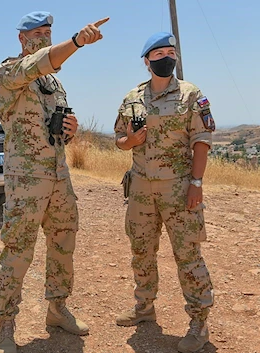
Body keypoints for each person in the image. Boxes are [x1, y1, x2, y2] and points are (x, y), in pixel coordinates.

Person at [0, 11, 109, 353]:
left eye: (48, 32)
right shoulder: (8, 72)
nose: (43, 37)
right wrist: (76, 41)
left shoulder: (54, 83)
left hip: (58, 176)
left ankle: (57, 309)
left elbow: (54, 121)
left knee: (63, 244)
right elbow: (39, 63)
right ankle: (5, 325)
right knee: (17, 250)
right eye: (37, 33)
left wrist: (69, 129)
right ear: (22, 38)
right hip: (26, 180)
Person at [113, 32, 215, 353]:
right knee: (141, 250)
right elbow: (118, 138)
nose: (166, 58)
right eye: (159, 54)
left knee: (187, 254)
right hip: (141, 187)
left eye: (171, 52)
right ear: (147, 61)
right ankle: (144, 307)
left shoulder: (190, 94)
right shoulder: (132, 97)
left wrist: (196, 182)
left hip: (178, 187)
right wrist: (130, 142)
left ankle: (198, 322)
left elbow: (202, 140)